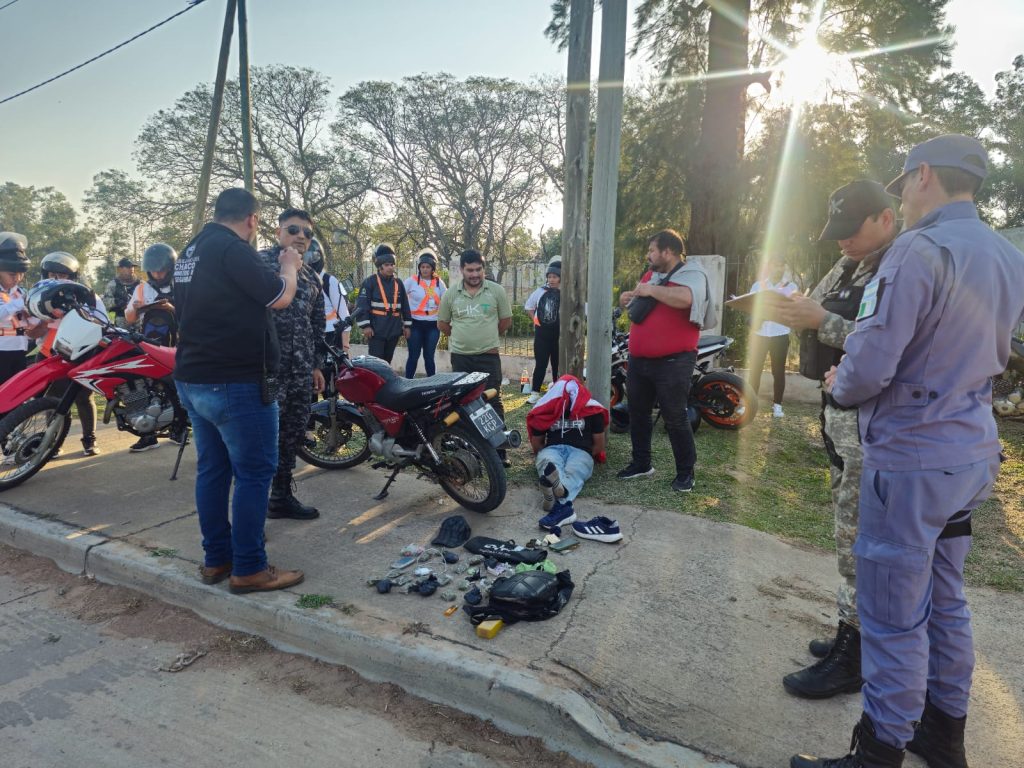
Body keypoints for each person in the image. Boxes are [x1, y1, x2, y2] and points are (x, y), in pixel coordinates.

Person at [792, 136, 1024, 768]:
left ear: (923, 175)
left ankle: (878, 752)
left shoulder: (918, 250)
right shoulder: (1007, 255)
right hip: (970, 451)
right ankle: (943, 737)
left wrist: (841, 383)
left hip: (911, 458)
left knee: (893, 612)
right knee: (945, 600)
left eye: (904, 184)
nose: (905, 196)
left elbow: (869, 366)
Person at [774, 180, 899, 700]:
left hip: (873, 427)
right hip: (839, 419)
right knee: (845, 531)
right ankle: (853, 634)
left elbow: (890, 341)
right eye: (838, 233)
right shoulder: (851, 264)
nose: (843, 242)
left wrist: (822, 321)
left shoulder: (899, 268)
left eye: (853, 230)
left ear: (886, 219)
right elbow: (819, 303)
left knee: (858, 541)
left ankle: (855, 655)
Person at [173, 187, 304, 595]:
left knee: (213, 469)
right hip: (235, 380)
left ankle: (218, 559)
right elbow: (280, 297)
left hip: (194, 377)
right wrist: (290, 266)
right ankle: (249, 567)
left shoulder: (191, 250)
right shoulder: (233, 249)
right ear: (252, 219)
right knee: (255, 472)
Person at [616, 229, 714, 493]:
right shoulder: (652, 276)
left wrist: (651, 289)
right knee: (638, 412)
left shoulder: (691, 274)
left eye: (652, 250)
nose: (648, 255)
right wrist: (627, 297)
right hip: (639, 360)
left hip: (674, 361)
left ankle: (685, 473)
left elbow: (687, 299)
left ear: (668, 251)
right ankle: (641, 463)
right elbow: (643, 298)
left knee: (675, 416)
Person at [257, 208, 328, 521]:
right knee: (261, 437)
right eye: (293, 229)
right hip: (267, 371)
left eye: (307, 233)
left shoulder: (312, 276)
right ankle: (254, 509)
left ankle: (281, 496)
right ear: (278, 232)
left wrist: (316, 365)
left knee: (292, 434)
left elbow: (317, 324)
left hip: (299, 372)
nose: (301, 236)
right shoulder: (259, 264)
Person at [437, 249, 513, 466]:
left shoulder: (496, 291)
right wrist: (463, 338)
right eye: (470, 270)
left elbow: (505, 321)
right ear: (462, 270)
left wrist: (485, 337)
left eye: (478, 269)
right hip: (461, 359)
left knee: (493, 400)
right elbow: (442, 324)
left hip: (488, 358)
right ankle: (468, 447)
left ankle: (499, 449)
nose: (474, 274)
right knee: (462, 403)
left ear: (483, 269)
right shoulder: (451, 294)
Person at [34, 252, 107, 457]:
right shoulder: (40, 296)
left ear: (72, 277)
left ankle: (89, 441)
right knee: (53, 399)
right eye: (52, 274)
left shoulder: (87, 295)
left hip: (80, 353)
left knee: (84, 397)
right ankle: (53, 442)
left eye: (62, 274)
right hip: (50, 354)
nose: (57, 278)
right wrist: (45, 318)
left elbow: (100, 322)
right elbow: (33, 330)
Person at [528, 375, 608, 531]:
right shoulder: (548, 408)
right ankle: (561, 493)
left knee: (575, 469)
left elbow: (599, 444)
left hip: (580, 451)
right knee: (549, 464)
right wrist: (543, 453)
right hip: (553, 448)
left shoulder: (592, 410)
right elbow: (537, 442)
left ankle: (553, 494)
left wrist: (586, 455)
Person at [746, 257, 798, 418]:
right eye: (776, 264)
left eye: (782, 264)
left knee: (778, 371)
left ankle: (777, 406)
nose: (779, 268)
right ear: (770, 266)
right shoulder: (758, 286)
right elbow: (749, 307)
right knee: (755, 371)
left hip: (780, 334)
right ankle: (750, 405)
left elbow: (794, 310)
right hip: (759, 334)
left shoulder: (791, 287)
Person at [354, 243, 411, 363]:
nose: (390, 267)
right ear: (379, 266)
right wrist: (366, 326)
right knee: (376, 363)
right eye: (387, 265)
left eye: (392, 265)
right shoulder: (370, 282)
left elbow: (405, 306)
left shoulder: (398, 283)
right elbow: (362, 306)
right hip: (376, 331)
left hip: (393, 330)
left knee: (387, 363)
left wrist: (407, 326)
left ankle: (386, 382)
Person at [0, 232, 39, 386]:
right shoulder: (21, 298)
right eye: (11, 274)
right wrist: (20, 303)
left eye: (20, 274)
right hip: (1, 352)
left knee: (15, 396)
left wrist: (34, 316)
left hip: (20, 349)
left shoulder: (21, 293)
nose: (17, 278)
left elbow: (32, 323)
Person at [403, 248, 446, 378]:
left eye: (428, 267)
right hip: (415, 323)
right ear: (419, 267)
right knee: (413, 356)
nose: (425, 269)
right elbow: (400, 298)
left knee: (429, 356)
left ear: (433, 268)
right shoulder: (411, 281)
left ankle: (432, 383)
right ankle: (407, 382)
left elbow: (446, 300)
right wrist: (404, 322)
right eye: (422, 267)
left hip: (433, 324)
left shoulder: (439, 283)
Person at [524, 261, 561, 404]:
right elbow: (529, 306)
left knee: (558, 364)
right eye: (550, 276)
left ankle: (558, 392)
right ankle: (535, 393)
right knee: (541, 364)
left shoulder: (566, 292)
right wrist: (535, 320)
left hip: (559, 336)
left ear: (560, 278)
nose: (551, 279)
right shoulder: (540, 291)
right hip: (542, 336)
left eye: (555, 277)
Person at [306, 237, 350, 352]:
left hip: (329, 335)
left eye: (311, 256)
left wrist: (345, 346)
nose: (308, 260)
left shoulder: (330, 281)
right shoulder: (296, 279)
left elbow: (344, 314)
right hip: (305, 335)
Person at [103, 257, 141, 329]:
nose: (131, 269)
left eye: (132, 267)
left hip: (139, 321)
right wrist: (117, 302)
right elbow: (105, 303)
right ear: (120, 269)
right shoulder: (113, 285)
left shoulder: (141, 284)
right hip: (121, 321)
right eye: (128, 267)